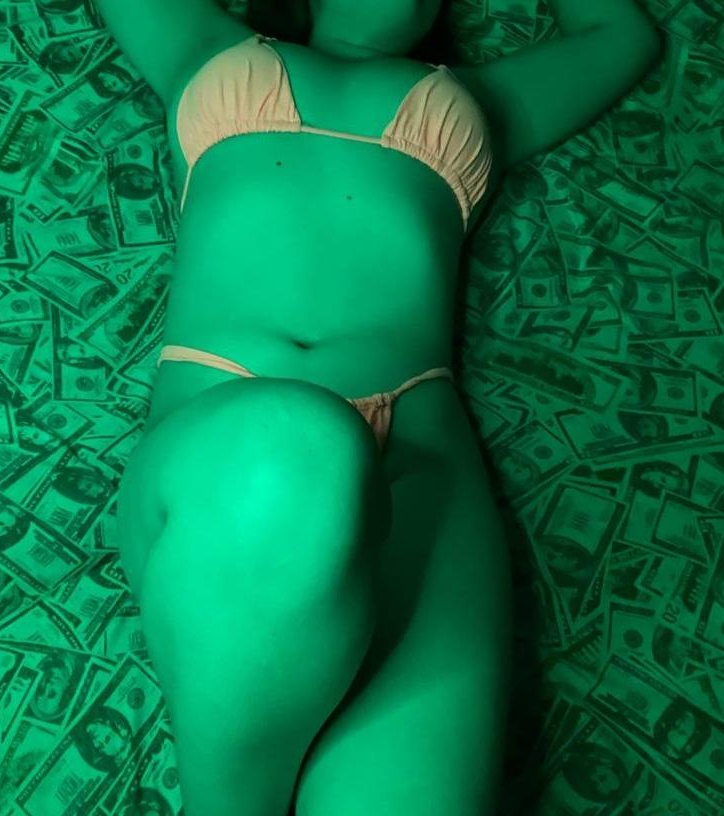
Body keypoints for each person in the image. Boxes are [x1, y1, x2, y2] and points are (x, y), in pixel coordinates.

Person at [103, 2, 662, 815]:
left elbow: (623, 37)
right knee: (294, 450)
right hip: (235, 440)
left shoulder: (482, 100)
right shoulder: (209, 48)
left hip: (422, 465)